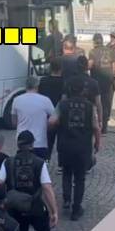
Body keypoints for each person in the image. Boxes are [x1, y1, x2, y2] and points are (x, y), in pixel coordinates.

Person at [0, 131, 59, 231]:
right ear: (32, 145)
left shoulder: (8, 162)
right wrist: (54, 211)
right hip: (34, 206)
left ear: (18, 144)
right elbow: (47, 188)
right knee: (44, 229)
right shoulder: (39, 162)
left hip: (14, 207)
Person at [49, 76, 101, 221]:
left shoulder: (62, 104)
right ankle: (76, 209)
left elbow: (52, 121)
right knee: (80, 178)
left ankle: (66, 200)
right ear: (83, 90)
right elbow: (96, 127)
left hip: (65, 145)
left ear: (70, 90)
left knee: (66, 172)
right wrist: (98, 143)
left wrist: (59, 124)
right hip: (82, 147)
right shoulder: (90, 106)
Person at [11, 77, 54, 160]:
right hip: (40, 141)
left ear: (26, 86)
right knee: (41, 165)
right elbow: (53, 120)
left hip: (22, 141)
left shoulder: (16, 100)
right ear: (37, 86)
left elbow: (14, 123)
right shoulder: (45, 100)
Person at [88, 33, 114, 134]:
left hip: (97, 80)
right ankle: (105, 127)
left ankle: (96, 125)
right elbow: (114, 65)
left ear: (94, 42)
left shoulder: (92, 52)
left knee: (95, 103)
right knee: (106, 103)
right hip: (108, 80)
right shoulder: (110, 50)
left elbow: (90, 65)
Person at [38, 59, 63, 160]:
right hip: (60, 114)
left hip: (46, 114)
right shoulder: (64, 82)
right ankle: (62, 162)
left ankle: (46, 159)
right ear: (61, 69)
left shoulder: (43, 81)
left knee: (48, 140)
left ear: (50, 68)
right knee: (61, 140)